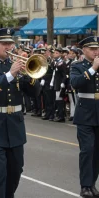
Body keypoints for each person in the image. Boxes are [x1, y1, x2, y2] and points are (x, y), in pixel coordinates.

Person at [0, 28, 40, 198]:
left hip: (15, 126)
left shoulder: (18, 67)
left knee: (16, 171)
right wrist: (10, 75)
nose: (9, 46)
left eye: (10, 43)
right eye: (4, 43)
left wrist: (31, 74)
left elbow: (35, 93)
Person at [70, 36, 99, 197]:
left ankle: (93, 184)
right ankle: (85, 186)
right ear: (84, 50)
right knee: (87, 150)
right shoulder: (77, 66)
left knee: (97, 153)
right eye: (92, 49)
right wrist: (93, 69)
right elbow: (75, 83)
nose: (96, 51)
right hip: (85, 114)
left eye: (97, 48)